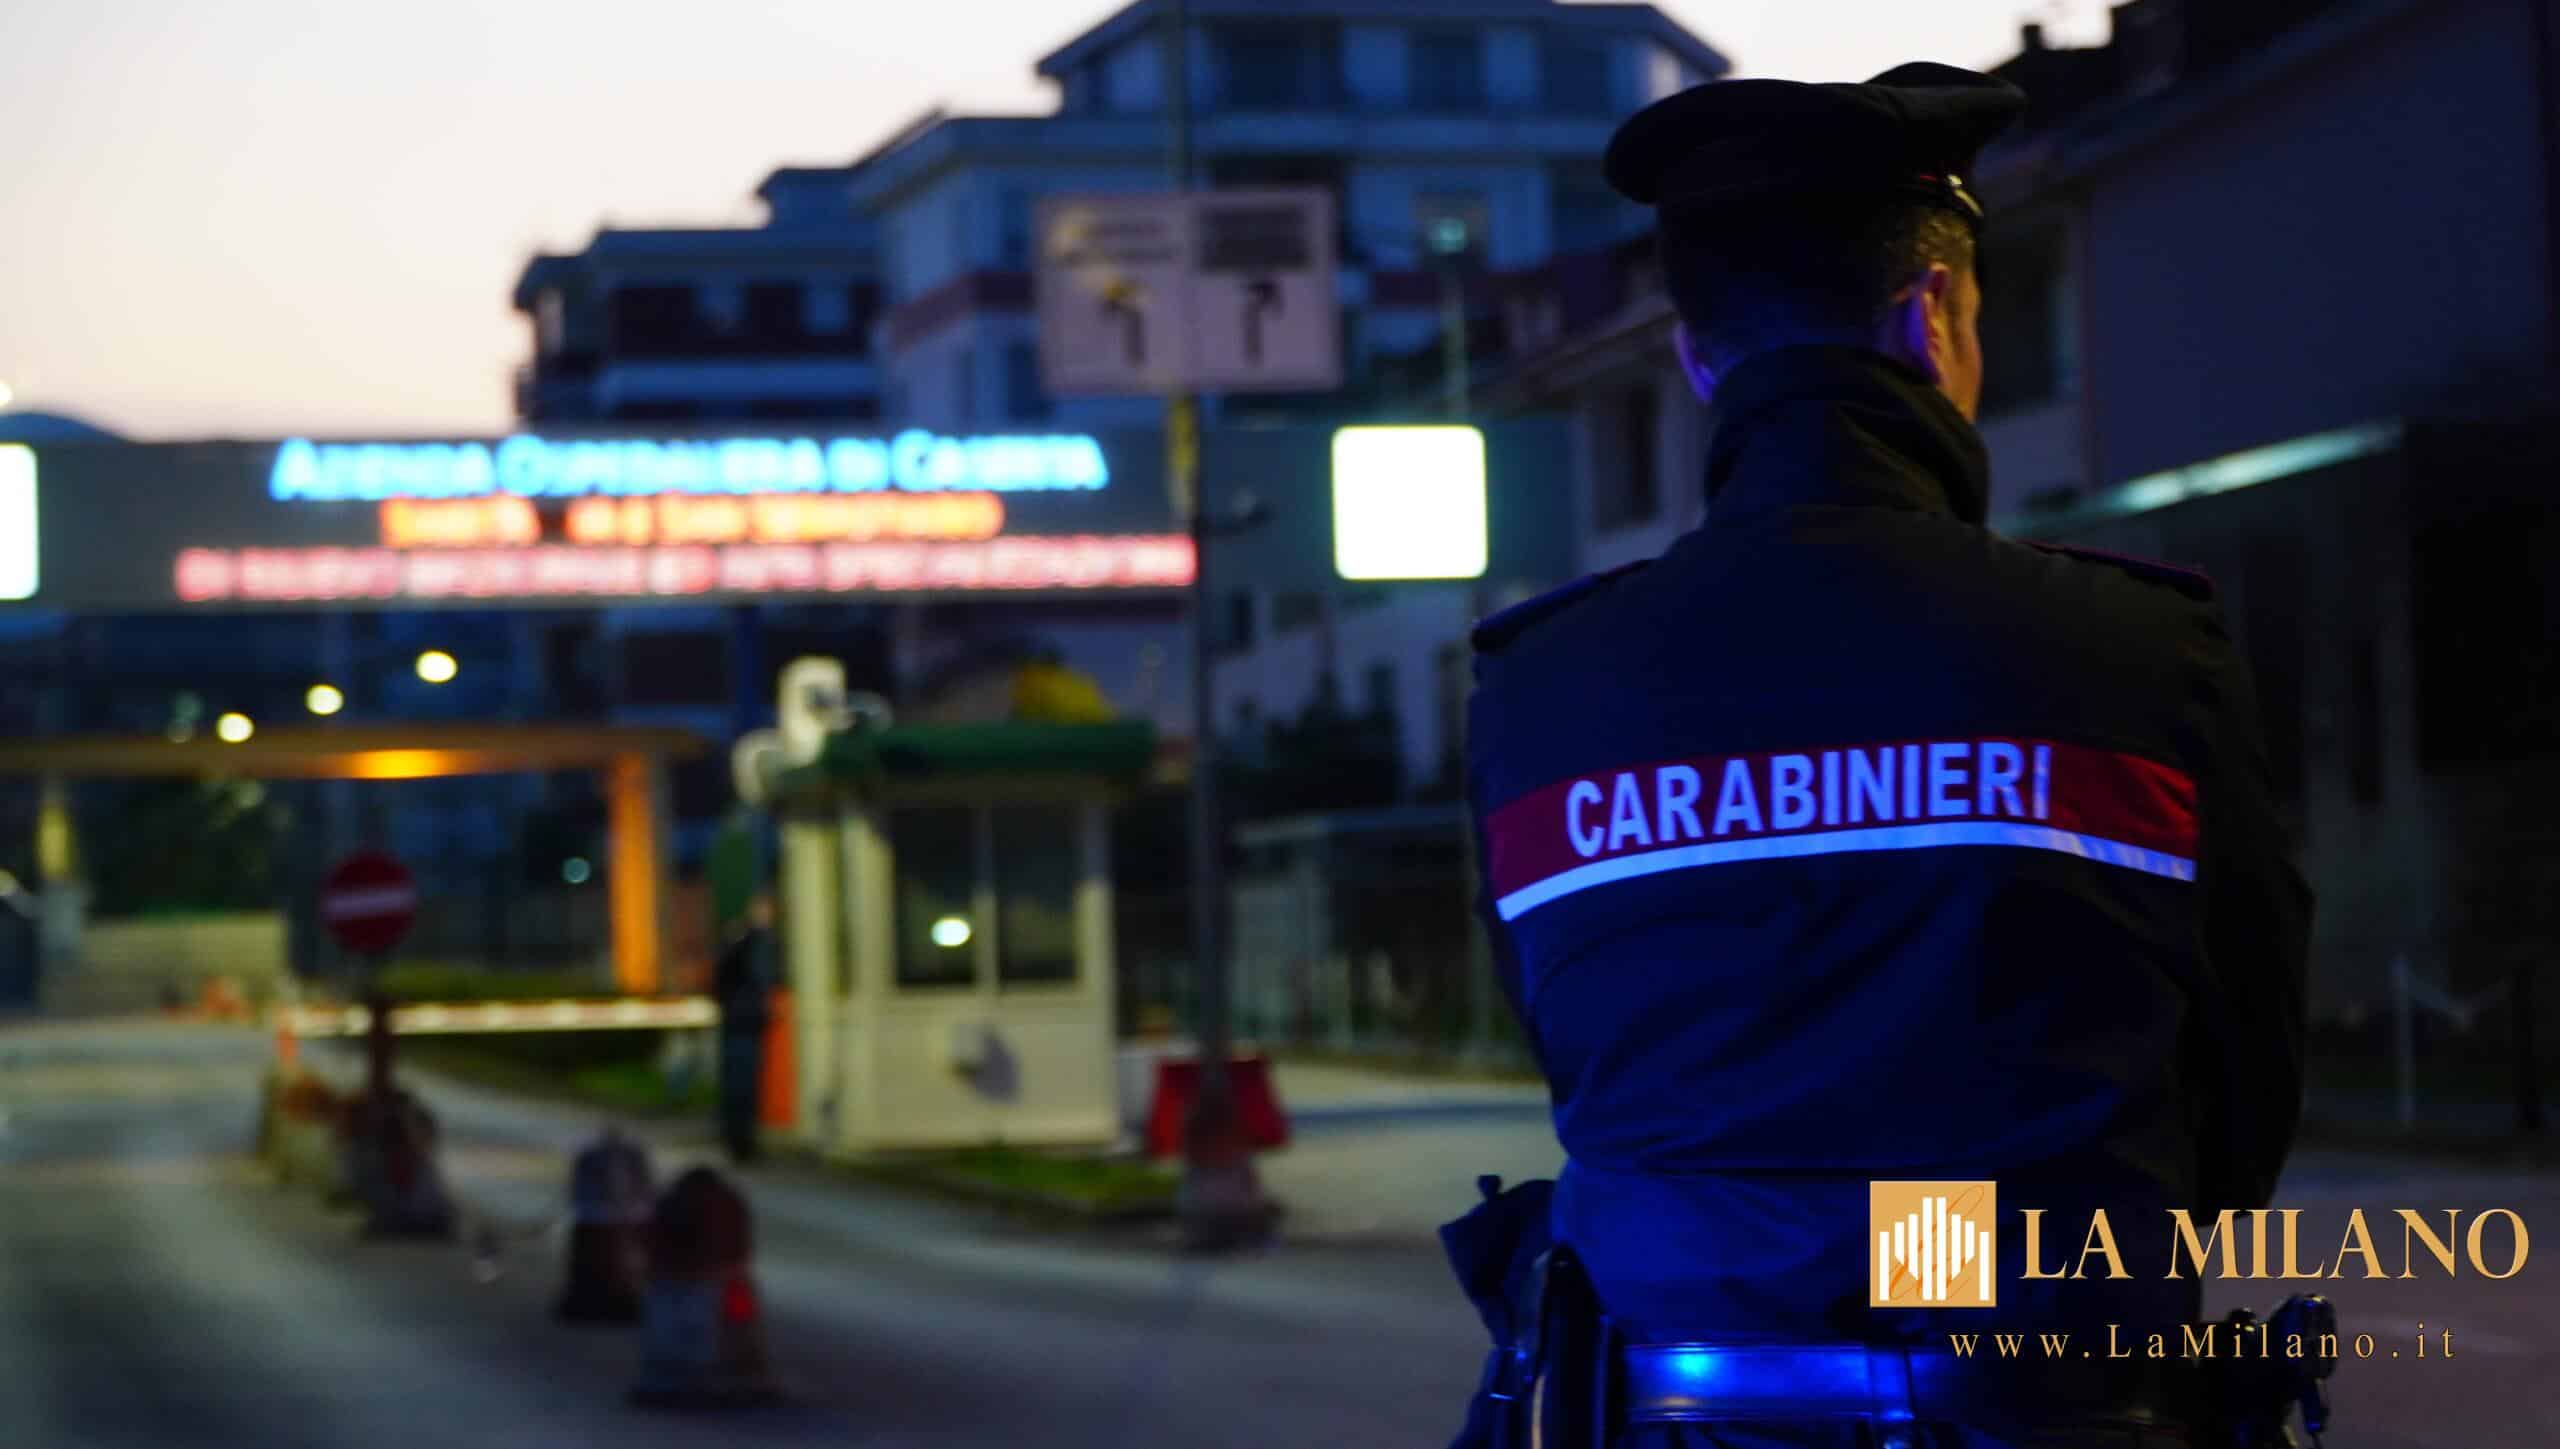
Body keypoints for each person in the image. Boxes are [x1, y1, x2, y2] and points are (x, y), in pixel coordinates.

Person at [1450, 64, 2314, 1449]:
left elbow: (1575, 1042)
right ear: (1933, 314)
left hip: (1674, 1401)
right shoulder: (2136, 650)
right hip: (2047, 1399)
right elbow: (2244, 1065)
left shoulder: (1536, 689)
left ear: (1696, 359)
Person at [712, 892, 775, 1164]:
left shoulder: (745, 941)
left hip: (740, 1022)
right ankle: (740, 1141)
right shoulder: (750, 943)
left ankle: (740, 1140)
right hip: (742, 1024)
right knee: (742, 1086)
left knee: (741, 1086)